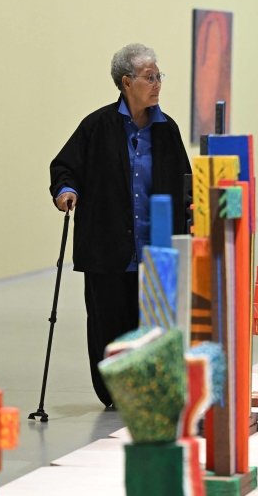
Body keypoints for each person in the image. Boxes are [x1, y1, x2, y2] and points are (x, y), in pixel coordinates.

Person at [49, 43, 192, 408]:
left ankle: (151, 387)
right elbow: (65, 166)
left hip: (155, 248)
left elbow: (185, 181)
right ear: (127, 82)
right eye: (150, 77)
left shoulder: (167, 130)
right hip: (107, 246)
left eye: (159, 76)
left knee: (153, 322)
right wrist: (66, 191)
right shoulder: (97, 126)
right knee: (108, 323)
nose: (157, 83)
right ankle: (115, 393)